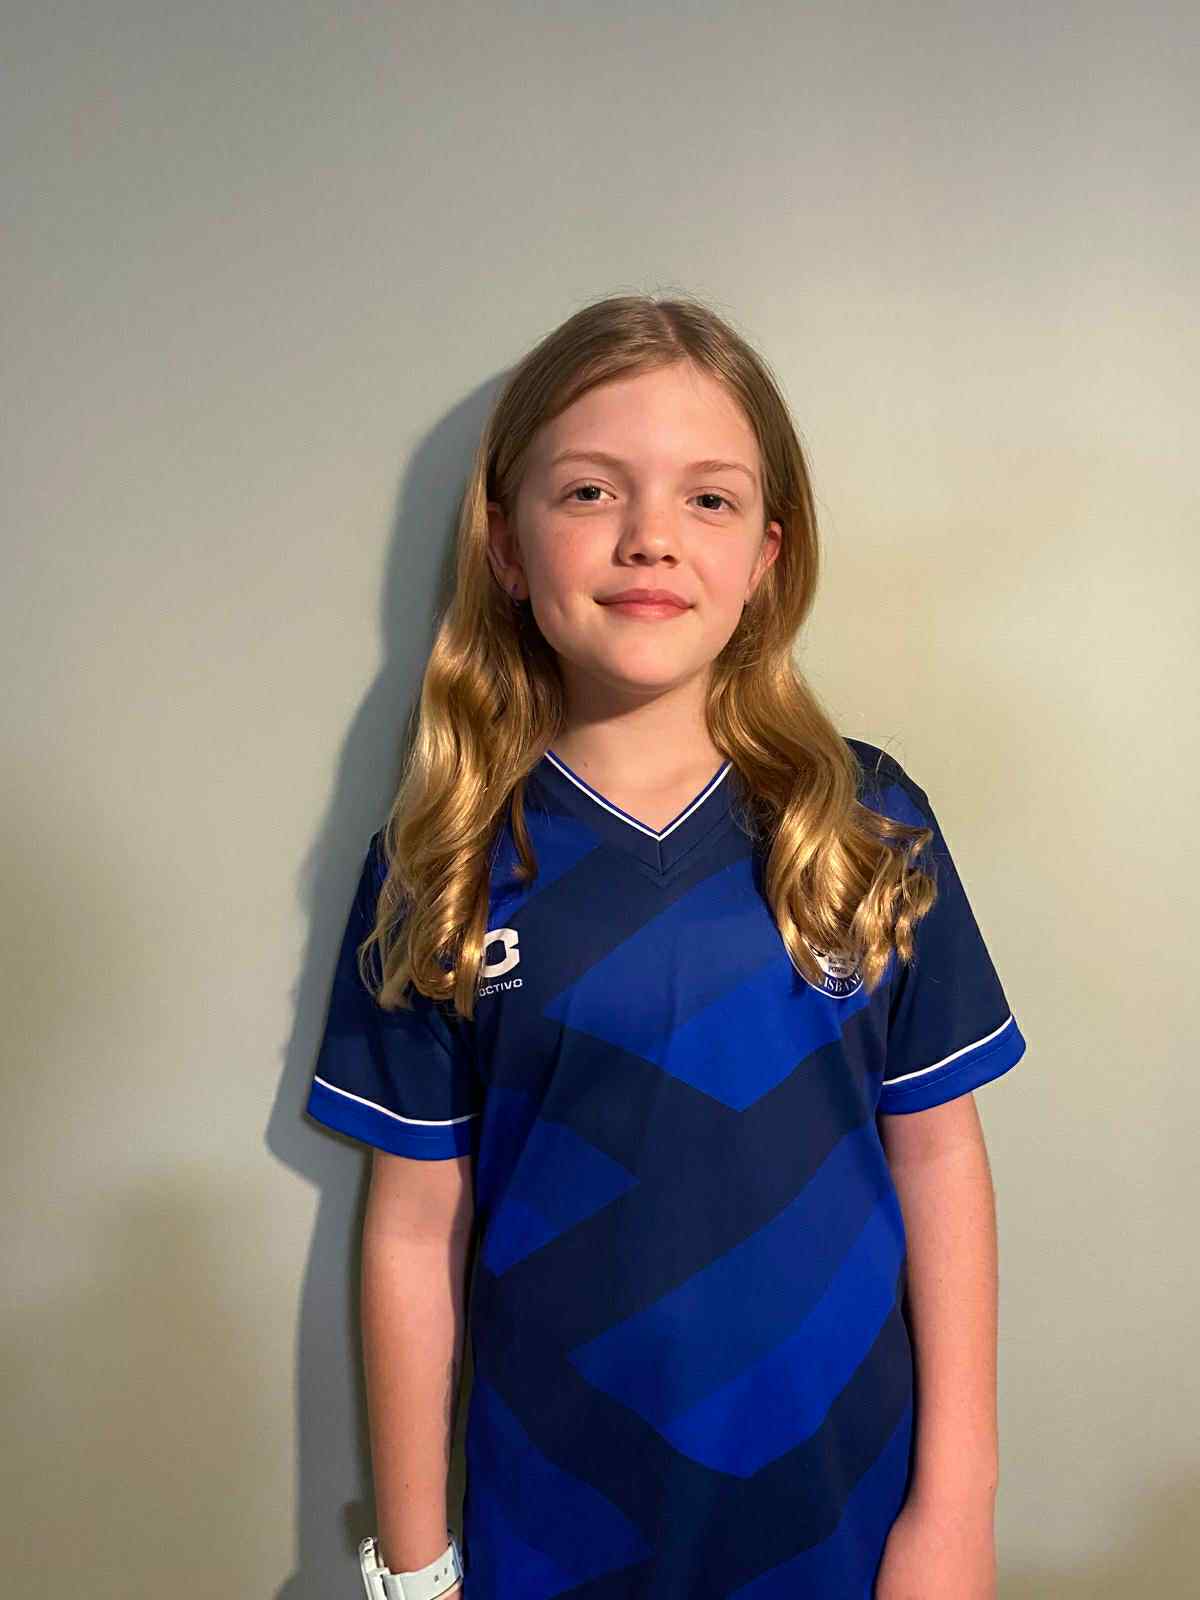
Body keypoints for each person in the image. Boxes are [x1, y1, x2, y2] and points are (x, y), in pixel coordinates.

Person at [305, 292, 1027, 1600]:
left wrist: (957, 1507)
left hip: (846, 1524)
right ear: (507, 545)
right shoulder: (443, 863)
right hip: (553, 1537)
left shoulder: (863, 823)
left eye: (708, 498)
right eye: (590, 491)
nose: (650, 536)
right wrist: (413, 1570)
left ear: (766, 556)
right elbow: (412, 1231)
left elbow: (938, 1157)